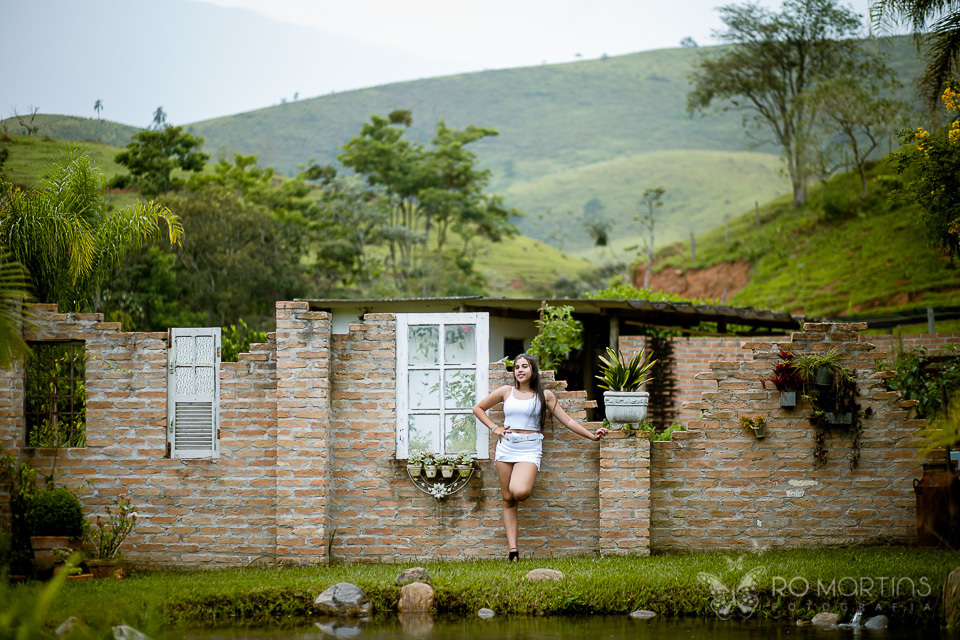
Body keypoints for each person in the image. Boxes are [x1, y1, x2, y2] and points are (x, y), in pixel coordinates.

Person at [472, 353, 608, 561]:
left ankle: (513, 548)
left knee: (520, 491)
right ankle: (513, 551)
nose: (520, 370)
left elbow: (568, 421)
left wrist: (591, 435)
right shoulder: (506, 391)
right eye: (517, 367)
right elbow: (478, 408)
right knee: (507, 499)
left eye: (524, 366)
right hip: (506, 447)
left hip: (530, 448)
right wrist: (494, 427)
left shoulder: (545, 396)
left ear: (533, 370)